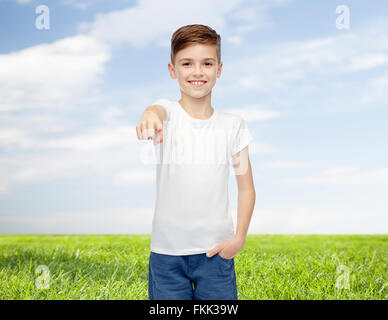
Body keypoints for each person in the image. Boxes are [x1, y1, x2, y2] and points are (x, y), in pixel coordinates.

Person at [136, 24, 256, 300]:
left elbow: (246, 188)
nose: (197, 71)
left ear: (219, 69)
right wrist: (149, 118)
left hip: (216, 253)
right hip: (167, 255)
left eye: (207, 63)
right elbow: (154, 110)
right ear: (172, 69)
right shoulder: (166, 113)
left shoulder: (233, 125)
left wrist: (239, 239)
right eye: (187, 63)